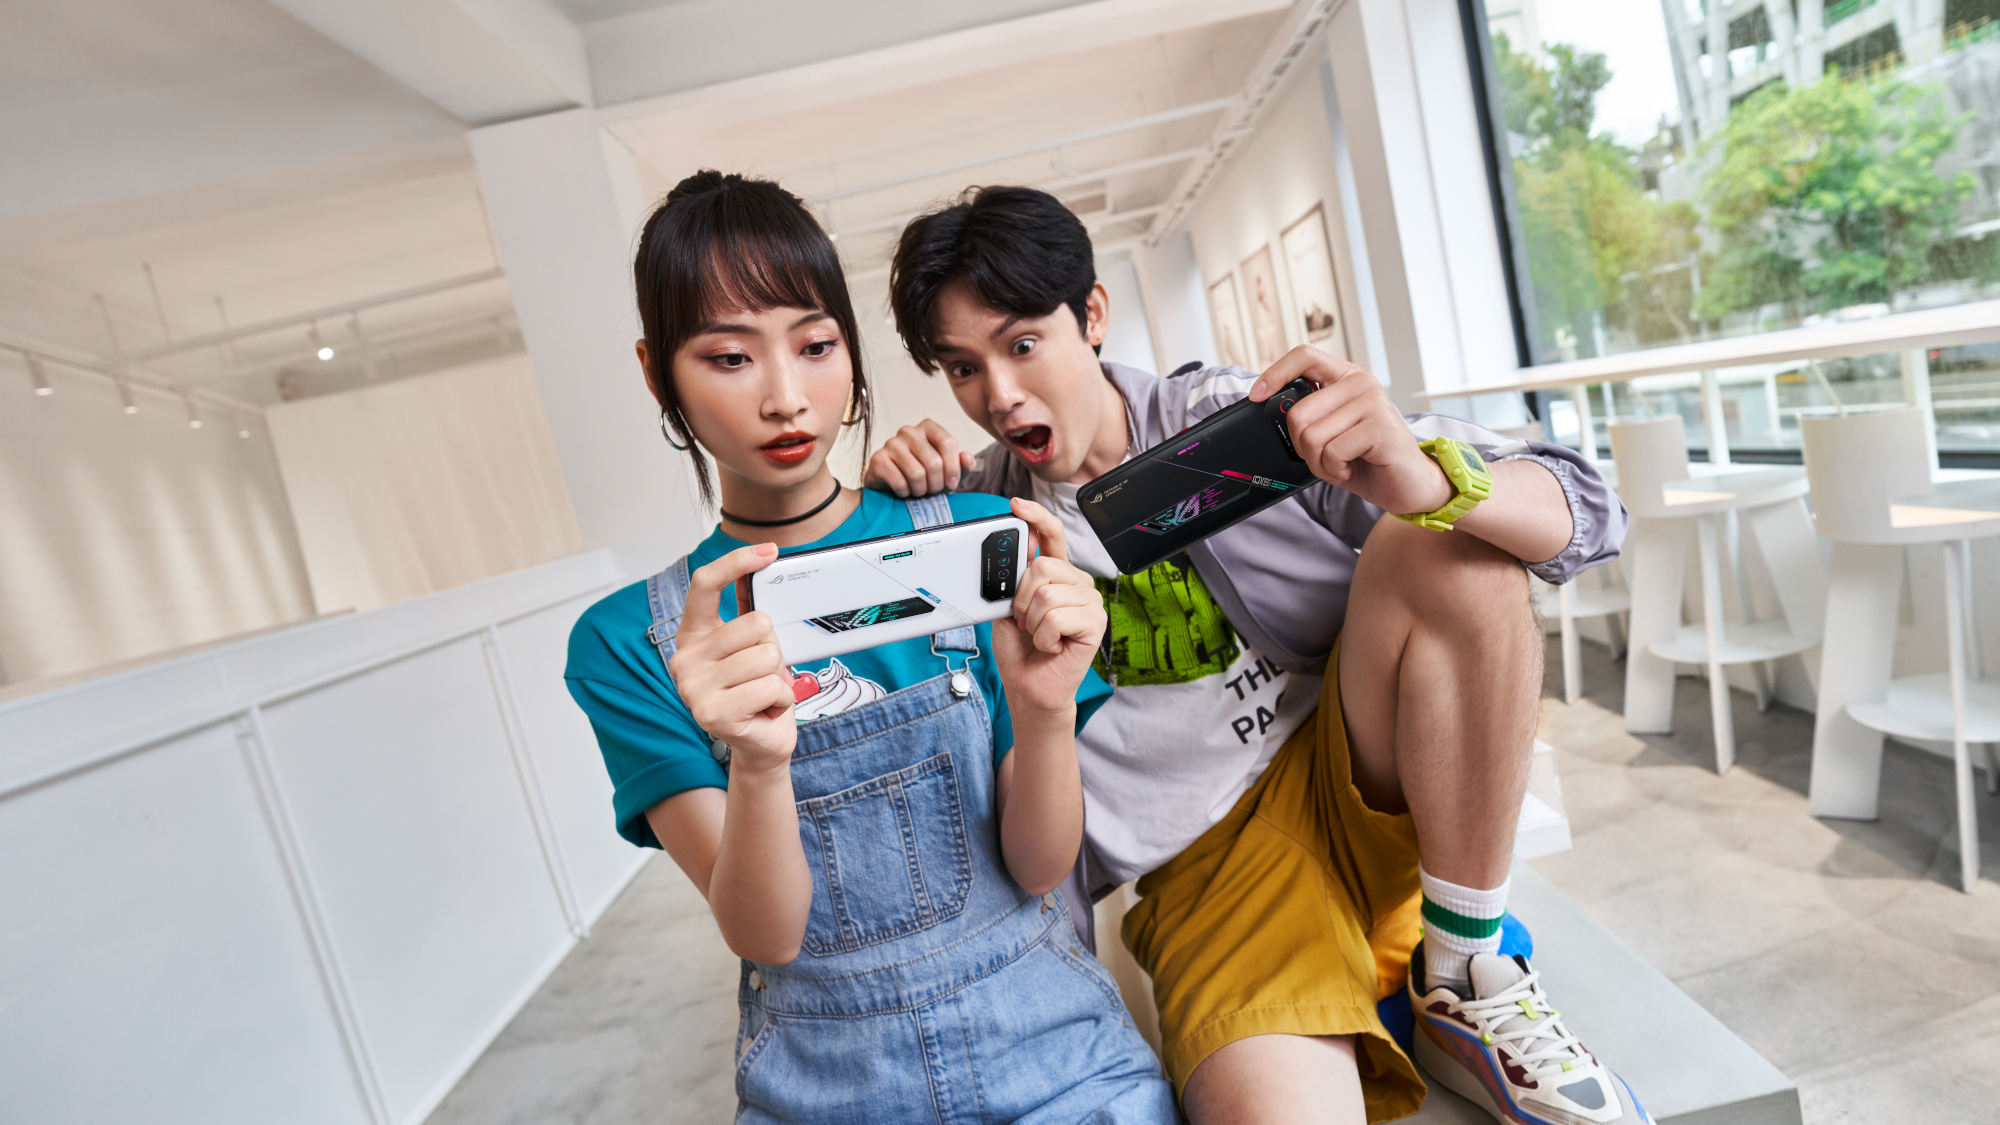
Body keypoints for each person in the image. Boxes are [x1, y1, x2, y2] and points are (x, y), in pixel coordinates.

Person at [866, 185, 1646, 1125]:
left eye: (1023, 342)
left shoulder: (1231, 422)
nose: (998, 394)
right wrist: (881, 526)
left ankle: (1468, 969)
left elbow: (1586, 507)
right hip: (1210, 879)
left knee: (1440, 540)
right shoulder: (977, 529)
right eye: (961, 368)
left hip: (1357, 775)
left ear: (1094, 316)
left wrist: (1422, 472)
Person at [564, 171, 1179, 1124]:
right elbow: (767, 935)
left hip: (1061, 1063)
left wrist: (1046, 709)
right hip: (824, 1094)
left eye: (815, 347)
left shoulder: (974, 535)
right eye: (729, 358)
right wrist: (762, 762)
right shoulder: (632, 641)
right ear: (658, 373)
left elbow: (1041, 864)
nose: (785, 399)